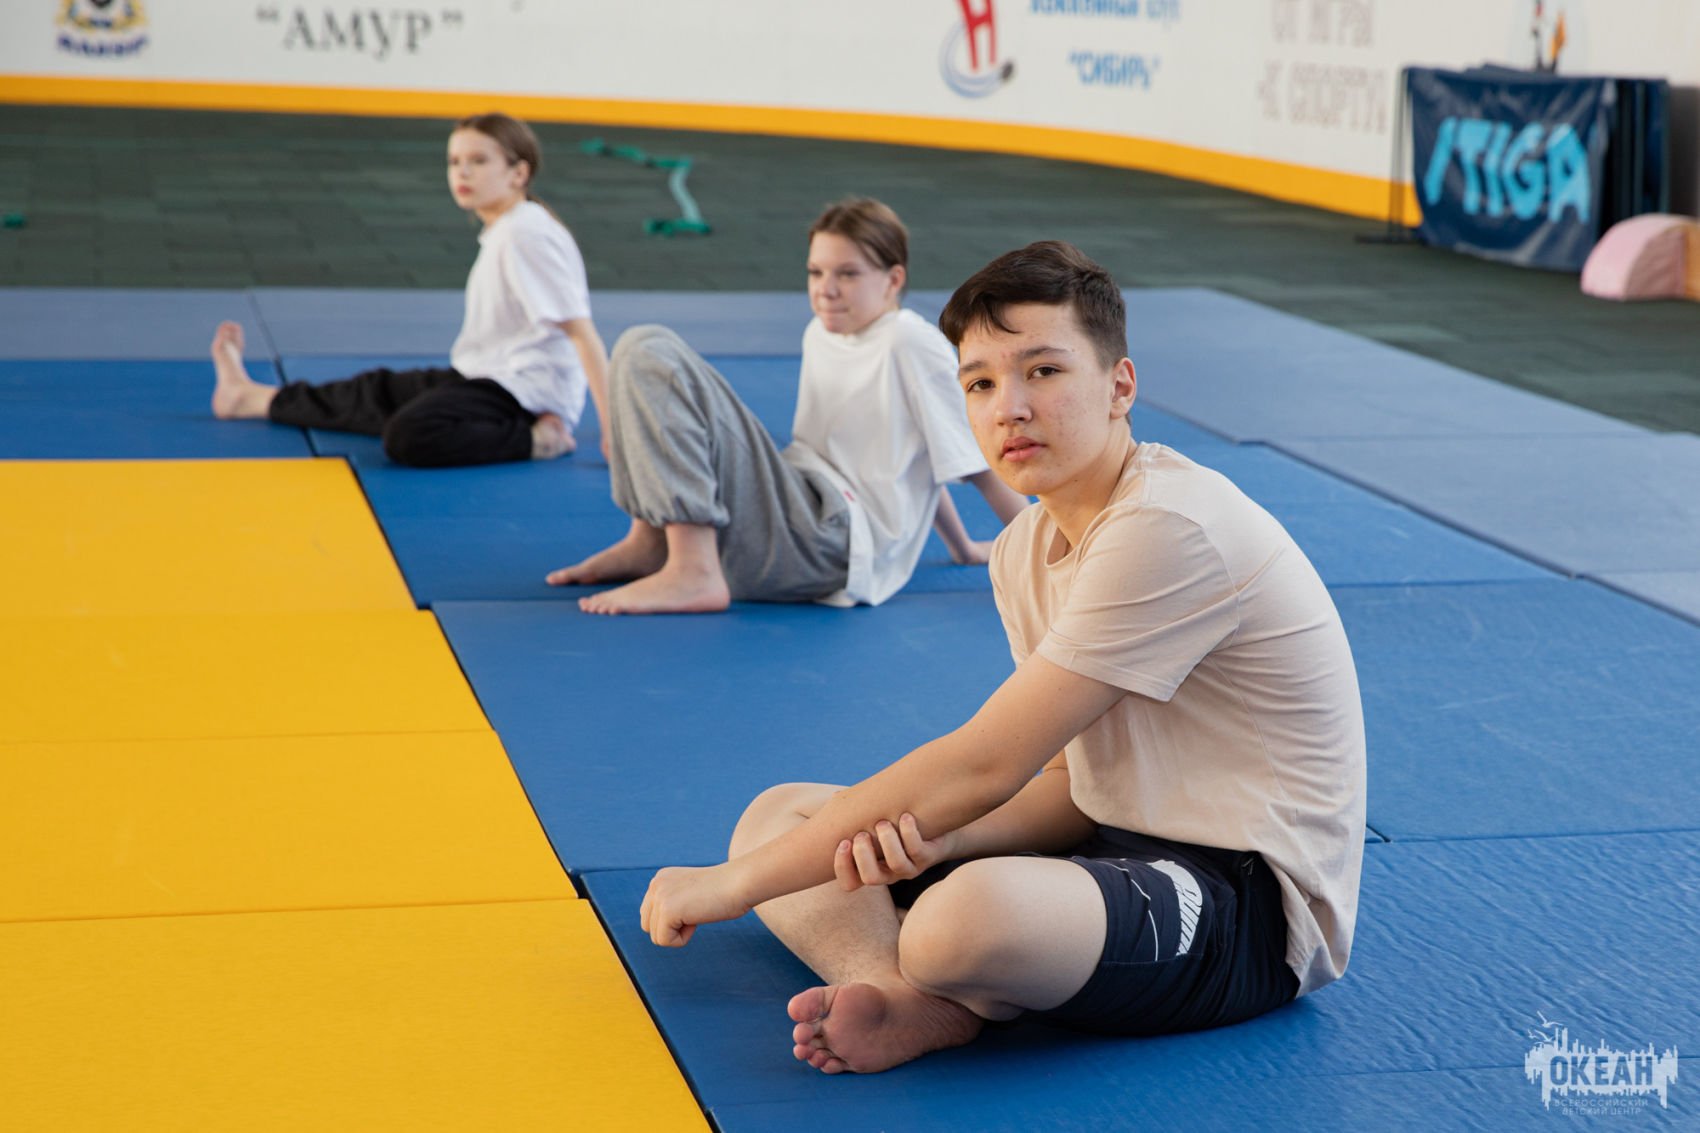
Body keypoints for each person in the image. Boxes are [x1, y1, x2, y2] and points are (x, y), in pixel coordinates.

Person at [637, 241, 1366, 1073]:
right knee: (775, 819)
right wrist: (941, 840)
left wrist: (732, 886)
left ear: (1120, 386)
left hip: (1247, 903)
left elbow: (986, 764)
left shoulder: (1168, 526)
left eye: (1043, 371)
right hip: (1101, 850)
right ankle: (900, 988)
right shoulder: (1024, 545)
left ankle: (938, 969)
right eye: (980, 383)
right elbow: (1065, 785)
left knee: (958, 919)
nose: (1008, 407)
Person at [546, 196, 1029, 614]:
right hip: (797, 509)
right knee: (635, 351)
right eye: (816, 272)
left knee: (649, 350)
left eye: (847, 274)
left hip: (829, 537)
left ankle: (694, 569)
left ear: (892, 279)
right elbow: (916, 461)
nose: (826, 289)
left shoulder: (908, 342)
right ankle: (652, 539)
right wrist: (963, 548)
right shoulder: (821, 332)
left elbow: (979, 464)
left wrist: (1044, 556)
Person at [209, 112, 609, 467]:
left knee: (409, 434)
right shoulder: (508, 228)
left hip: (525, 394)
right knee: (373, 393)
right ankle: (247, 397)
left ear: (518, 174)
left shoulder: (526, 234)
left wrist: (616, 432)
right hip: (484, 374)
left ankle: (538, 440)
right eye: (454, 162)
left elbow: (582, 334)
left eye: (478, 161)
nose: (462, 173)